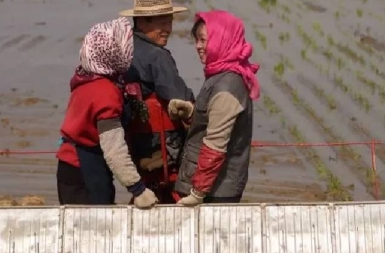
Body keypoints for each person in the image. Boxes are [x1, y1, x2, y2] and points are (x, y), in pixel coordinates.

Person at [55, 17, 158, 208]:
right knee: (93, 228)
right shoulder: (106, 93)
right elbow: (113, 148)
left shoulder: (84, 78)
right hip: (84, 170)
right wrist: (138, 189)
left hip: (69, 166)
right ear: (114, 52)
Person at [171, 10, 260, 206]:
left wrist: (198, 193)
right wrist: (191, 113)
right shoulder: (219, 74)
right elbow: (213, 120)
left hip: (217, 190)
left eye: (203, 40)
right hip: (211, 184)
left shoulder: (227, 86)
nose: (198, 46)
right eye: (197, 40)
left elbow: (215, 144)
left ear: (222, 39)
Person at [118, 0, 195, 203]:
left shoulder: (123, 50)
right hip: (161, 147)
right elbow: (179, 95)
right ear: (142, 22)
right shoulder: (157, 56)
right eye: (162, 23)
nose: (168, 29)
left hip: (133, 144)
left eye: (169, 22)